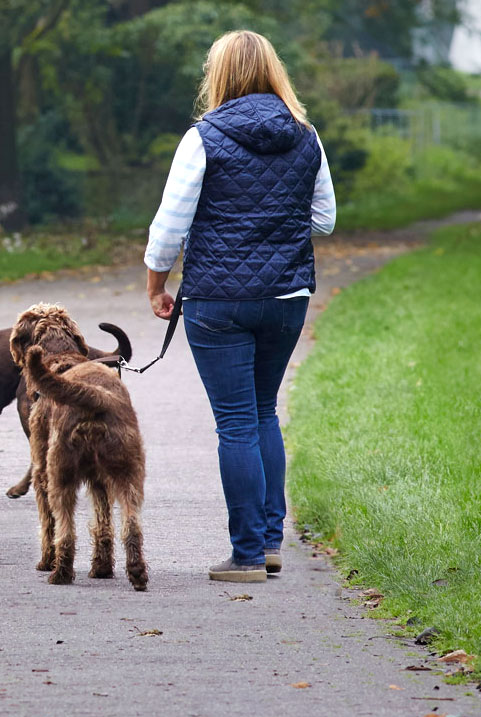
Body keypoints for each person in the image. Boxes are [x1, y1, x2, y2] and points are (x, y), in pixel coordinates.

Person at [143, 30, 336, 584]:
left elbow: (170, 226)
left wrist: (156, 284)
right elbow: (323, 218)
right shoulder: (307, 136)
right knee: (262, 411)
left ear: (218, 75)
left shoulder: (203, 137)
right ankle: (270, 543)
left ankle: (246, 555)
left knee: (234, 424)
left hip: (218, 302)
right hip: (286, 298)